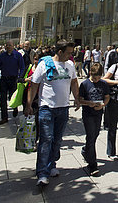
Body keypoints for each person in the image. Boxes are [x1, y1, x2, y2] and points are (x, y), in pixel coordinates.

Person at [25, 39, 80, 186]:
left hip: (63, 108)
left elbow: (74, 82)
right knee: (46, 139)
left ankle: (52, 165)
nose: (71, 56)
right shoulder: (44, 64)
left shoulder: (70, 65)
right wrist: (28, 104)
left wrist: (77, 98)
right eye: (68, 53)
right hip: (46, 108)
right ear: (60, 52)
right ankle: (42, 173)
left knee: (57, 140)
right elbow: (34, 85)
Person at [78, 62, 110, 176]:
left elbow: (107, 97)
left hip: (98, 113)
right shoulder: (85, 84)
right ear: (90, 73)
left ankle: (86, 150)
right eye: (94, 77)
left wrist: (103, 105)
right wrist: (89, 103)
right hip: (88, 113)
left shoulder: (103, 84)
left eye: (98, 78)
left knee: (95, 135)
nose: (96, 80)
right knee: (91, 136)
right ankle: (92, 164)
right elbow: (80, 99)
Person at [0, 40, 25, 125]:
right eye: (6, 45)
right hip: (4, 79)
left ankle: (15, 108)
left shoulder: (18, 55)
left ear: (13, 46)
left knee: (12, 96)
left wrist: (20, 77)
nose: (8, 47)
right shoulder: (2, 56)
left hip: (14, 79)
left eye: (10, 45)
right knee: (3, 99)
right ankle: (4, 117)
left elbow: (22, 67)